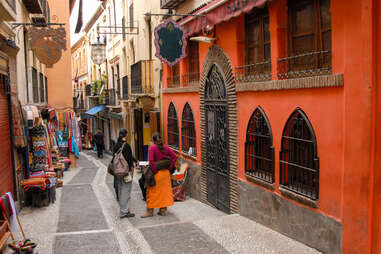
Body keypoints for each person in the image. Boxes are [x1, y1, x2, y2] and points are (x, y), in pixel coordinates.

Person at [141, 133, 177, 218]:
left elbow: (151, 161)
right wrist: (170, 167)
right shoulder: (166, 148)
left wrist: (154, 171)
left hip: (157, 174)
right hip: (166, 174)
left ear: (153, 140)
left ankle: (149, 212)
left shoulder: (152, 148)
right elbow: (174, 157)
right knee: (164, 192)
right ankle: (162, 210)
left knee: (151, 193)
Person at [113, 128, 137, 218]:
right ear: (126, 135)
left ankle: (124, 209)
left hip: (118, 171)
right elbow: (129, 158)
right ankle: (124, 212)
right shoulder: (126, 145)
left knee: (121, 190)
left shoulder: (116, 145)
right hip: (126, 172)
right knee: (126, 191)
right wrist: (132, 168)